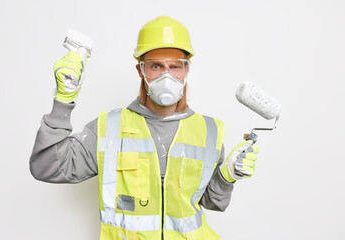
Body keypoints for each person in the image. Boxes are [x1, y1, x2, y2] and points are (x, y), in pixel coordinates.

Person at [30, 16, 259, 240]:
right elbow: (45, 167)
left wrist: (228, 175)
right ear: (141, 70)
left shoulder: (208, 131)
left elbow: (211, 202)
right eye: (156, 66)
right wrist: (63, 99)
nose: (166, 75)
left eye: (175, 66)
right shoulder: (108, 129)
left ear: (186, 71)